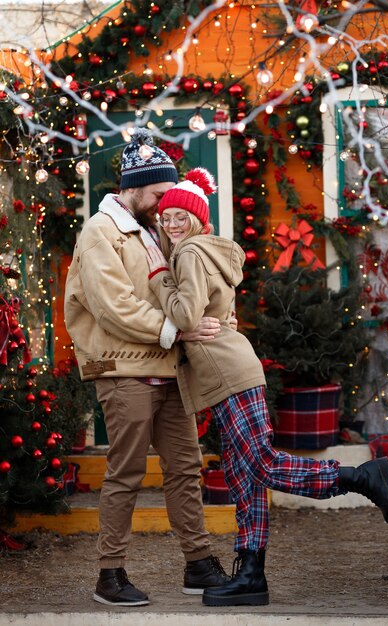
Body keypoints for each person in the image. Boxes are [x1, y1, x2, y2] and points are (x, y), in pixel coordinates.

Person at [145, 167, 388, 608]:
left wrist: (159, 283)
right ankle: (251, 575)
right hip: (230, 369)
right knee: (245, 478)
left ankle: (360, 478)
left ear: (198, 220)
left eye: (179, 217)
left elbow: (186, 316)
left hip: (228, 372)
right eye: (165, 217)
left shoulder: (187, 254)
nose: (171, 224)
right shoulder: (206, 250)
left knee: (259, 466)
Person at [64, 132, 230, 607]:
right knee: (127, 471)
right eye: (158, 195)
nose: (163, 206)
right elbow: (113, 305)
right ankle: (109, 574)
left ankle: (198, 563)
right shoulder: (101, 231)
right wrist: (178, 331)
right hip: (123, 370)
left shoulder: (155, 230)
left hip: (168, 369)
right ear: (133, 188)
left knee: (185, 469)